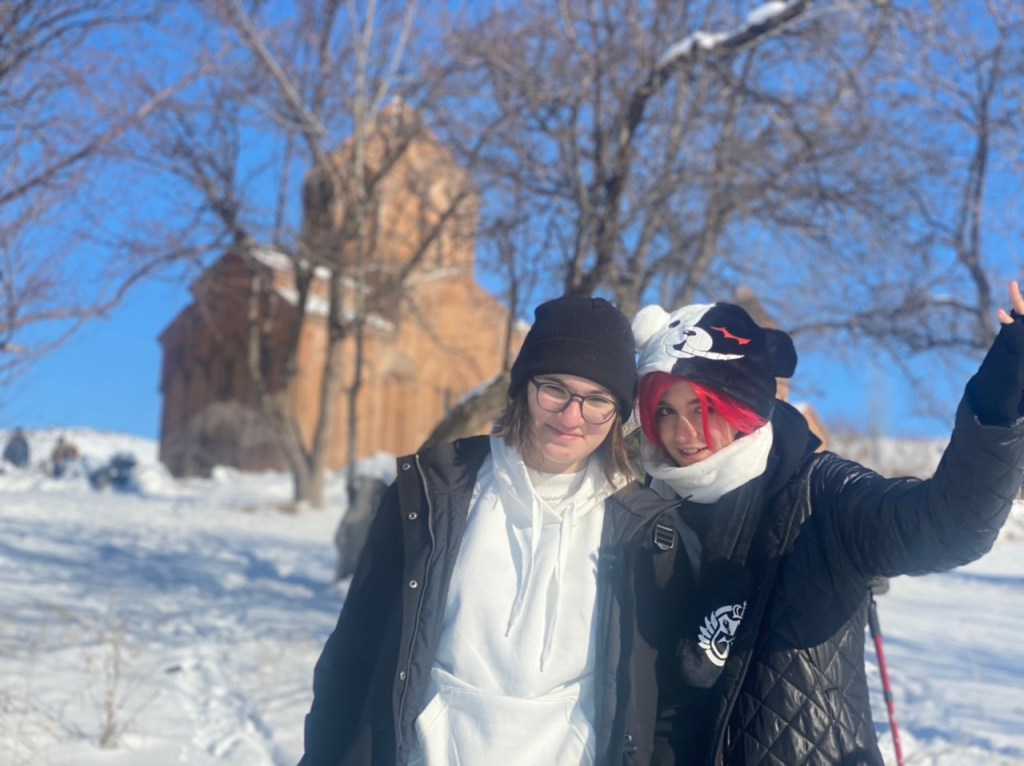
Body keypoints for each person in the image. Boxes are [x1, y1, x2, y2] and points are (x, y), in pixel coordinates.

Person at [628, 285, 1024, 765]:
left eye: (703, 408)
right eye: (666, 411)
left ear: (742, 403)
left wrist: (1003, 389)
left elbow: (949, 525)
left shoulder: (820, 492)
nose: (683, 433)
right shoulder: (651, 513)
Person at [299, 295, 684, 766]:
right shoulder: (432, 493)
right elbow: (353, 654)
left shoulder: (643, 528)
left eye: (598, 400)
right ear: (523, 388)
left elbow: (660, 700)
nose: (571, 417)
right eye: (554, 389)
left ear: (618, 413)